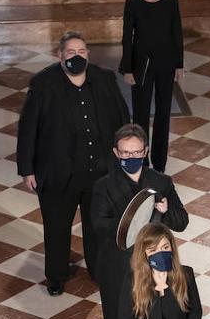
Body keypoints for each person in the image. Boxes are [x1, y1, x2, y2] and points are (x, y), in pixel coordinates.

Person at [17, 30, 129, 294]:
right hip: (58, 173)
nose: (76, 56)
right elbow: (28, 128)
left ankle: (99, 271)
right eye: (71, 52)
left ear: (88, 54)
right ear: (60, 56)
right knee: (56, 228)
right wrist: (27, 169)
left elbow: (123, 119)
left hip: (99, 172)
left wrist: (125, 159)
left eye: (81, 52)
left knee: (97, 227)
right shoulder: (43, 84)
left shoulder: (104, 80)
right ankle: (56, 276)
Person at [91, 124, 189, 319]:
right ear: (116, 153)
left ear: (145, 151)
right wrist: (131, 221)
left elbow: (181, 222)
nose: (130, 157)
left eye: (136, 152)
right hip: (117, 268)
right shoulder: (103, 186)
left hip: (154, 267)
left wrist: (165, 211)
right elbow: (98, 224)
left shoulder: (161, 182)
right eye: (125, 153)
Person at [120, 0, 184, 174]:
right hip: (142, 67)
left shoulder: (171, 1)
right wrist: (127, 68)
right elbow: (127, 38)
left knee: (163, 114)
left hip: (166, 65)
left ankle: (160, 163)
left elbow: (177, 34)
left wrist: (179, 65)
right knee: (140, 115)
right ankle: (142, 160)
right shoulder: (133, 4)